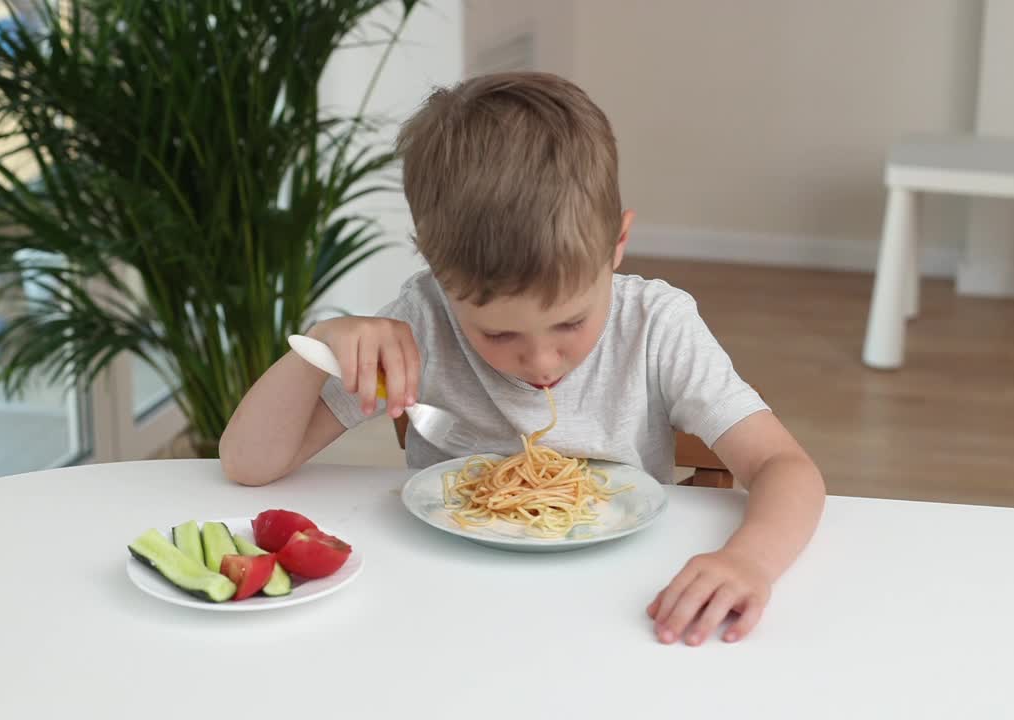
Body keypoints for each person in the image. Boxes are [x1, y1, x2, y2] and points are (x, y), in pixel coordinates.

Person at [220, 72, 825, 646]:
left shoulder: (656, 326)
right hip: (445, 603)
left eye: (570, 322)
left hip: (625, 601)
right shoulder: (421, 323)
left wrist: (750, 560)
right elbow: (250, 465)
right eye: (497, 334)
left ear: (617, 244)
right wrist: (321, 343)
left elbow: (783, 466)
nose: (540, 361)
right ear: (440, 278)